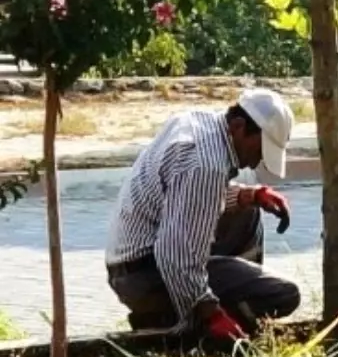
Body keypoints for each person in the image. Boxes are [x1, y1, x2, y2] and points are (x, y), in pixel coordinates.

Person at [105, 88, 302, 340]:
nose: (256, 162)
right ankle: (187, 321)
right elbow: (174, 255)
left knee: (248, 212)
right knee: (283, 295)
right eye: (259, 150)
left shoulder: (197, 123)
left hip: (128, 267)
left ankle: (195, 303)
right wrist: (211, 313)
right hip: (145, 276)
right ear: (239, 126)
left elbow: (189, 198)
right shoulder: (206, 165)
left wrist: (248, 196)